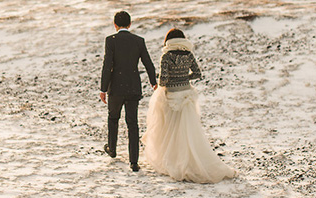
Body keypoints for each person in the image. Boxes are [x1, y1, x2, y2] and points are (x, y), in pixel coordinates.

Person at [142, 28, 236, 183]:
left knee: (170, 129)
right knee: (187, 130)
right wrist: (185, 78)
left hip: (171, 96)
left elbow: (163, 81)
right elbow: (198, 74)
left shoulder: (166, 56)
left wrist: (167, 79)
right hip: (186, 94)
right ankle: (189, 158)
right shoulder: (188, 55)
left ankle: (173, 158)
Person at [100, 11, 157, 172]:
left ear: (115, 24)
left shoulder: (111, 41)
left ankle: (112, 149)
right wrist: (154, 82)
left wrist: (103, 88)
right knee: (132, 123)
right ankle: (134, 161)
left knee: (113, 118)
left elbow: (107, 66)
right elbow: (148, 63)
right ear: (130, 24)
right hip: (133, 87)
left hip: (116, 88)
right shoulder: (138, 41)